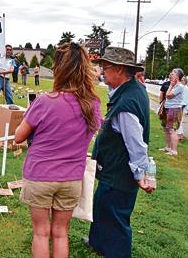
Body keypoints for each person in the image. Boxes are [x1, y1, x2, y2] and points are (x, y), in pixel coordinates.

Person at [15, 42, 102, 258]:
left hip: (40, 175)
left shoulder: (45, 101)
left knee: (41, 233)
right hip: (72, 178)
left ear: (59, 69)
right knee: (61, 233)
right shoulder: (93, 104)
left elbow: (18, 137)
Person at [86, 47, 155, 257]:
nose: (102, 71)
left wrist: (140, 175)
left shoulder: (126, 103)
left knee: (115, 214)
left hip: (120, 174)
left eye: (105, 67)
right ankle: (98, 243)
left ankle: (117, 253)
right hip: (113, 171)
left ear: (119, 69)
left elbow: (136, 144)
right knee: (101, 205)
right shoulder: (133, 89)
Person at [159, 68, 185, 155]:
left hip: (174, 109)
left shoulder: (179, 86)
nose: (170, 75)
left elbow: (168, 95)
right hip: (167, 108)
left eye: (173, 74)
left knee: (171, 129)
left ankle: (174, 150)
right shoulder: (174, 85)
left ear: (177, 77)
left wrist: (170, 85)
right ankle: (167, 147)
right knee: (166, 128)